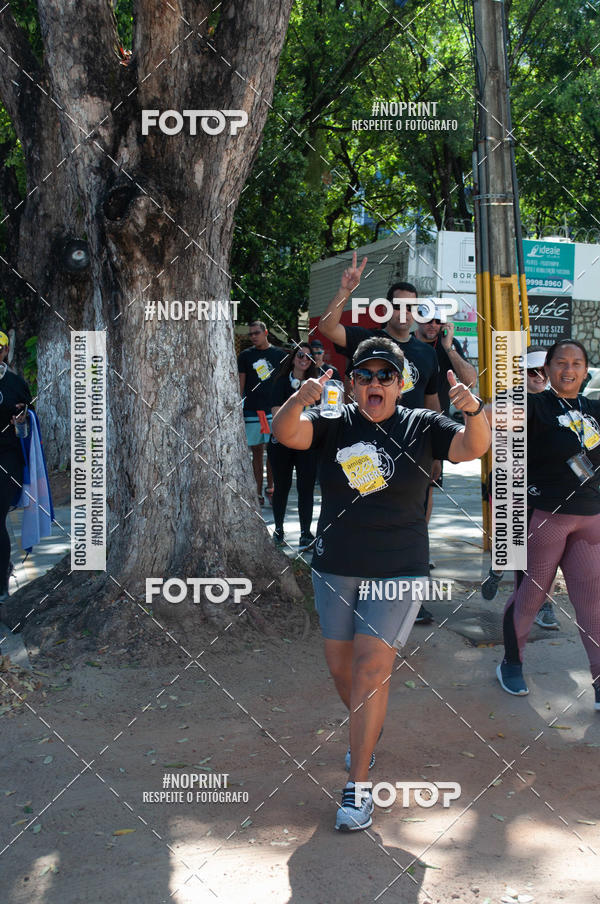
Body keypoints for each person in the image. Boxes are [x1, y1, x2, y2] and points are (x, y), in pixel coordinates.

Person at [272, 336, 491, 831]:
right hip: (336, 565)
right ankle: (366, 732)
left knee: (372, 669)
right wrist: (298, 399)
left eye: (385, 375)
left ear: (401, 383)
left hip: (398, 566)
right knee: (342, 672)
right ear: (351, 384)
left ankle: (359, 784)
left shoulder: (423, 425)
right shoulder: (332, 424)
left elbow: (474, 446)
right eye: (365, 375)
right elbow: (288, 435)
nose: (375, 383)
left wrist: (473, 410)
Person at [318, 254, 441, 624]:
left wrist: (439, 452)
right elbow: (328, 327)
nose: (404, 312)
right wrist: (344, 291)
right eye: (398, 305)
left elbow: (432, 398)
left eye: (411, 306)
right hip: (365, 446)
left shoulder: (425, 351)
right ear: (387, 308)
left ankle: (408, 591)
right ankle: (355, 590)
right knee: (362, 512)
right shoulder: (368, 340)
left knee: (416, 516)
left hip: (417, 447)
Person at [496, 339, 600, 712]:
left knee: (592, 605)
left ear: (586, 370)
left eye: (576, 363)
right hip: (544, 518)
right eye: (560, 363)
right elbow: (493, 418)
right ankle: (511, 662)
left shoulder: (594, 409)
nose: (568, 370)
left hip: (590, 521)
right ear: (548, 370)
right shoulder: (534, 406)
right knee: (530, 597)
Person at [481, 346, 560, 630]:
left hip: (548, 487)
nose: (539, 376)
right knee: (512, 544)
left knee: (543, 548)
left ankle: (544, 604)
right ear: (521, 373)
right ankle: (499, 569)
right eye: (532, 371)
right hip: (510, 481)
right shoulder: (508, 400)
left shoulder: (559, 401)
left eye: (544, 371)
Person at [268, 343, 319, 550]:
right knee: (282, 487)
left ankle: (306, 534)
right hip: (281, 443)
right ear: (293, 357)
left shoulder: (317, 385)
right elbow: (277, 414)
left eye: (309, 357)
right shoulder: (280, 382)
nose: (304, 359)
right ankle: (278, 531)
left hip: (306, 443)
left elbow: (319, 414)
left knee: (306, 489)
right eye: (300, 355)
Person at [238, 321, 287, 505]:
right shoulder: (245, 356)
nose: (253, 336)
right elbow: (240, 383)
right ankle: (257, 492)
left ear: (265, 332)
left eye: (256, 333)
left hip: (272, 409)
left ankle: (271, 487)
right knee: (256, 453)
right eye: (250, 334)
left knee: (272, 451)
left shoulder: (279, 355)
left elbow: (284, 381)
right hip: (252, 409)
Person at [0, 331, 31, 602]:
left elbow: (28, 429)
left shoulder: (16, 384)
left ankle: (1, 583)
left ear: (5, 351)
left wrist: (20, 421)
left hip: (7, 461)